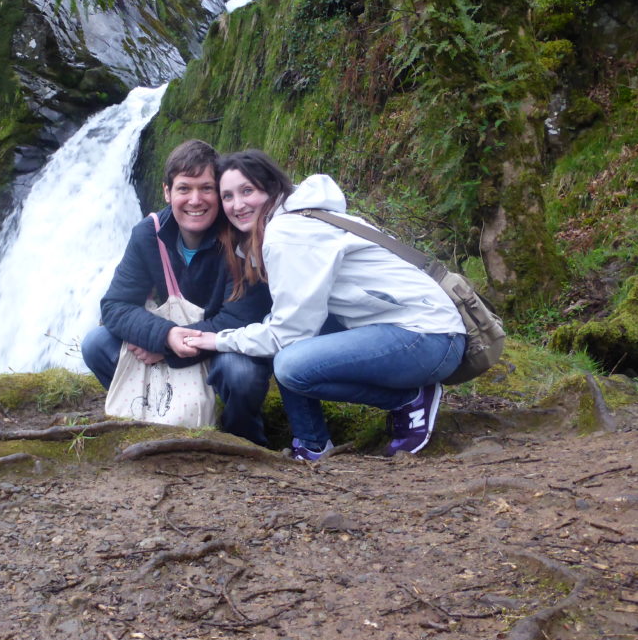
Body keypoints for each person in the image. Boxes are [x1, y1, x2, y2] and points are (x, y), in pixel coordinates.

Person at [186, 150, 466, 460]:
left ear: (271, 188)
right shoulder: (298, 218)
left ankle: (408, 399)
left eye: (247, 191)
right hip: (415, 331)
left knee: (290, 363)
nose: (237, 205)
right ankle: (312, 445)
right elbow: (291, 323)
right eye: (227, 196)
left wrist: (218, 340)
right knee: (283, 334)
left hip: (427, 337)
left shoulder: (288, 233)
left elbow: (287, 336)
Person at [81, 140, 274, 446]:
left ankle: (241, 439)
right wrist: (164, 336)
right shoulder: (148, 234)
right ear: (168, 192)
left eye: (206, 188)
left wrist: (169, 345)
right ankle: (153, 416)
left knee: (241, 372)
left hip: (223, 347)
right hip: (175, 341)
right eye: (184, 188)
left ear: (219, 192)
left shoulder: (241, 235)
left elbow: (240, 319)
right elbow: (115, 306)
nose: (195, 200)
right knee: (96, 344)